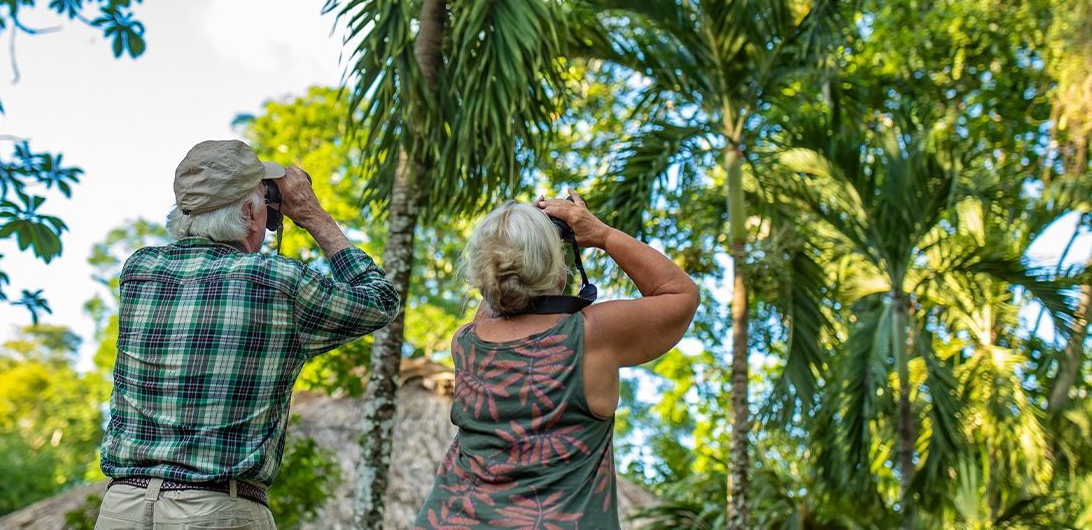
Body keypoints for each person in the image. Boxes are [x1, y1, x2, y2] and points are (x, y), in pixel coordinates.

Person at [95, 139, 399, 530]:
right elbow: (381, 300)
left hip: (124, 507)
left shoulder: (140, 271)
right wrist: (311, 214)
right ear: (249, 213)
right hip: (216, 509)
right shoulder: (278, 281)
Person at [415, 192, 700, 529]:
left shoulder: (467, 342)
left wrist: (514, 242)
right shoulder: (591, 335)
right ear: (557, 267)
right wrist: (600, 234)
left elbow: (499, 301)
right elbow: (680, 294)